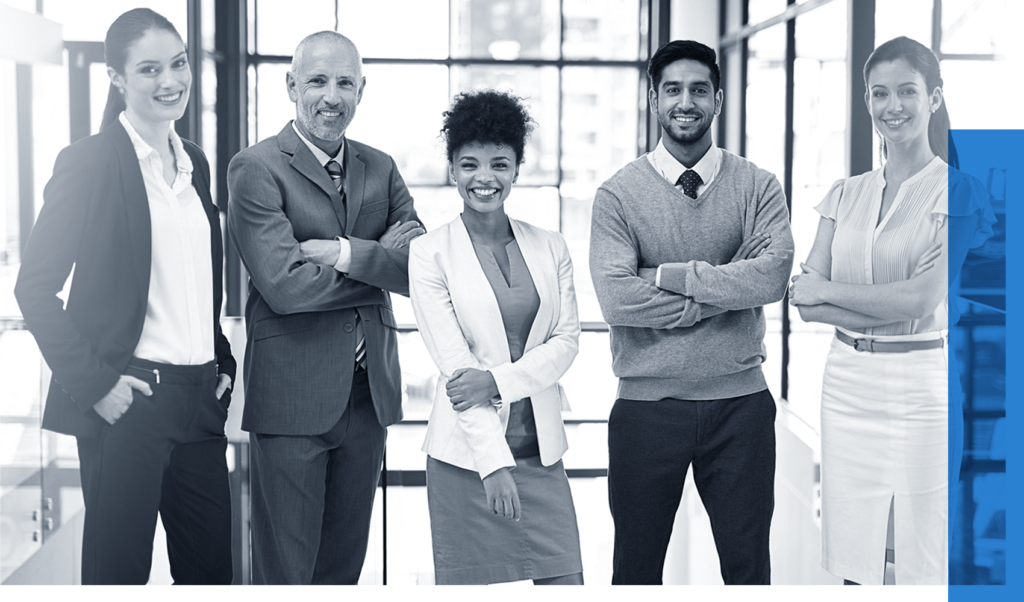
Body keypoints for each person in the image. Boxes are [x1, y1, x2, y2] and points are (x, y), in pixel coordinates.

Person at [13, 8, 236, 586]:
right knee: (118, 573)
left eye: (179, 64)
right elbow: (33, 287)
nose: (171, 81)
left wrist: (223, 363)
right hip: (129, 401)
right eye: (149, 69)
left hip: (199, 404)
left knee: (211, 572)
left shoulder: (196, 165)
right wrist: (97, 385)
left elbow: (193, 281)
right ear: (117, 78)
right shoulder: (88, 163)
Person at [788, 36, 996, 587]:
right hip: (847, 383)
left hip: (917, 389)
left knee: (919, 556)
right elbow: (804, 303)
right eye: (879, 93)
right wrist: (842, 298)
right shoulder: (843, 193)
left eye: (907, 90)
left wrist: (830, 289)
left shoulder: (961, 192)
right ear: (867, 102)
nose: (893, 106)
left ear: (934, 97)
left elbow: (921, 300)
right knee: (854, 554)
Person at [589, 40, 794, 586]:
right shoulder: (617, 195)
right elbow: (616, 299)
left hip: (741, 407)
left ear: (719, 99)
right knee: (636, 569)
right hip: (646, 408)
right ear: (654, 99)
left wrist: (668, 275)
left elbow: (771, 277)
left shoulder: (758, 186)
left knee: (748, 568)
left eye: (699, 90)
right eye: (673, 90)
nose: (686, 102)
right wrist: (726, 286)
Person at [226, 31, 424, 586]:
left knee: (343, 568)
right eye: (317, 81)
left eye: (344, 82)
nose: (331, 96)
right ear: (291, 86)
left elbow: (421, 271)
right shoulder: (256, 168)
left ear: (362, 89)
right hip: (292, 397)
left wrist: (341, 254)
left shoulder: (380, 167)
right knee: (285, 572)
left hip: (367, 396)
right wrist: (375, 264)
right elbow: (285, 287)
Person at [408, 90, 584, 586]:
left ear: (517, 169)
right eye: (470, 164)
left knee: (566, 577)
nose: (484, 178)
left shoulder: (551, 246)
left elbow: (566, 342)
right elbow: (458, 371)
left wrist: (497, 383)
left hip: (540, 453)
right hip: (467, 458)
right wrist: (492, 465)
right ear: (452, 170)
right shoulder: (429, 254)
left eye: (499, 164)